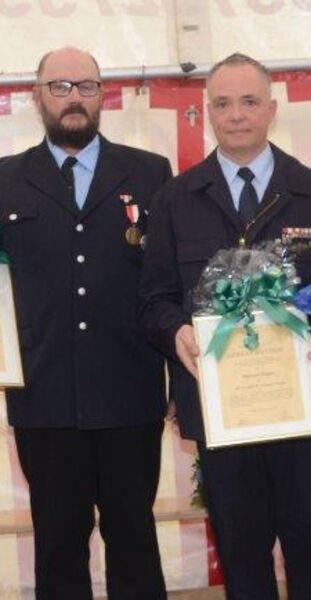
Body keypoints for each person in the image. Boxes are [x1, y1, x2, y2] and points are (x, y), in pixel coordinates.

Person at [139, 53, 311, 600]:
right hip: (221, 413)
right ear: (208, 111)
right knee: (242, 559)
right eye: (224, 104)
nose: (236, 115)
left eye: (249, 101)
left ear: (272, 109)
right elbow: (154, 298)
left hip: (300, 412)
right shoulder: (176, 199)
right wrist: (176, 331)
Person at [0, 47, 172, 599]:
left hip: (130, 392)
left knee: (134, 543)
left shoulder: (150, 173)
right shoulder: (6, 179)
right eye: (60, 86)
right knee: (57, 545)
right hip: (44, 399)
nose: (74, 98)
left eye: (87, 86)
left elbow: (168, 283)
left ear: (103, 95)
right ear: (37, 96)